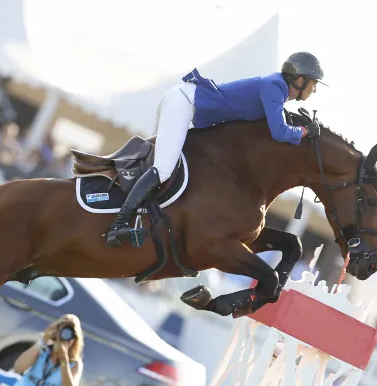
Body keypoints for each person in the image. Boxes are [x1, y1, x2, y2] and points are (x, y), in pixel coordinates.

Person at [104, 52, 325, 248]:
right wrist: (304, 132)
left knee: (158, 166)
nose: (313, 90)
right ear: (299, 79)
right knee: (162, 170)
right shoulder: (275, 87)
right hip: (184, 104)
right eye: (313, 83)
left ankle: (135, 216)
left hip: (184, 102)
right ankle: (118, 223)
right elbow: (279, 131)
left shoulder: (276, 89)